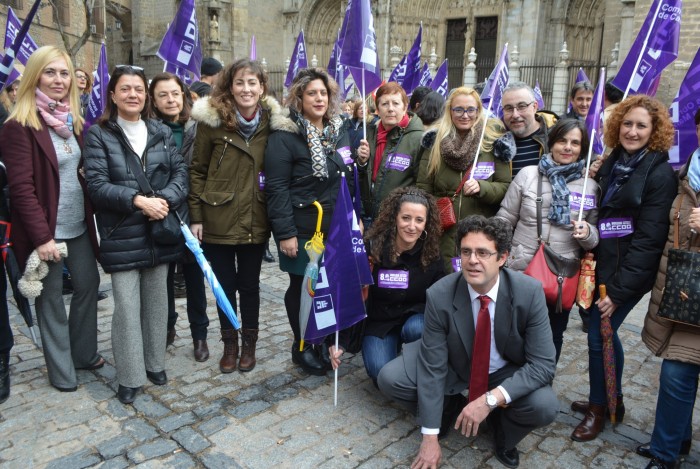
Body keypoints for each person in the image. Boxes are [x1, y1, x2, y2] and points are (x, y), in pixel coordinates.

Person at [378, 215, 558, 469]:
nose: (472, 260)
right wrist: (429, 436)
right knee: (390, 377)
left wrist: (490, 400)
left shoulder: (529, 293)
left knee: (545, 405)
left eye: (483, 253)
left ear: (502, 258)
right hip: (455, 363)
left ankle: (502, 431)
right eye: (466, 252)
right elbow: (432, 366)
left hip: (503, 370)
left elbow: (543, 364)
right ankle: (450, 407)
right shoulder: (440, 294)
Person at [570, 95, 677, 442]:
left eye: (641, 125)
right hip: (601, 261)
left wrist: (618, 292)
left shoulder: (659, 173)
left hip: (629, 271)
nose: (632, 131)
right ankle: (611, 397)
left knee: (598, 334)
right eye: (627, 124)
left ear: (654, 130)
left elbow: (649, 240)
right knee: (602, 332)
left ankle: (599, 409)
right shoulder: (614, 161)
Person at [84, 65, 188, 404]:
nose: (133, 95)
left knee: (157, 303)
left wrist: (164, 200)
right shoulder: (98, 134)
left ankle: (154, 362)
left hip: (160, 230)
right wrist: (138, 201)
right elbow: (97, 185)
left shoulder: (158, 130)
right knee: (127, 308)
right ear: (113, 94)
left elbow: (180, 174)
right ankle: (129, 375)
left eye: (139, 90)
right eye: (126, 89)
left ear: (146, 97)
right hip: (122, 232)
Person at [0, 46, 101, 393]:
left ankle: (83, 353)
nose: (59, 80)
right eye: (50, 72)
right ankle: (61, 371)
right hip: (47, 231)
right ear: (35, 77)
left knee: (88, 286)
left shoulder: (73, 121)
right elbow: (22, 189)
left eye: (64, 73)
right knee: (52, 299)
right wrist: (43, 238)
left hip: (79, 226)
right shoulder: (19, 125)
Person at [190, 59, 281, 373]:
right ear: (229, 86)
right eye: (240, 82)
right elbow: (197, 171)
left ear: (262, 88)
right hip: (218, 216)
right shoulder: (211, 122)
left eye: (252, 83)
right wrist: (197, 217)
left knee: (250, 286)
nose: (246, 89)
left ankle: (249, 344)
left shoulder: (272, 122)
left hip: (256, 215)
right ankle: (229, 343)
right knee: (224, 285)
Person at [265, 67, 356, 376]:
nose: (319, 98)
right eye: (312, 93)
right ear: (299, 97)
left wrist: (361, 159)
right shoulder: (285, 135)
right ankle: (302, 344)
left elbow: (343, 173)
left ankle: (324, 340)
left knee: (327, 285)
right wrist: (286, 234)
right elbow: (276, 188)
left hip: (335, 225)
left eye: (324, 93)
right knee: (303, 286)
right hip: (303, 226)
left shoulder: (340, 129)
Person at [496, 118, 600, 363]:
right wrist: (499, 257)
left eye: (575, 143)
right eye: (562, 140)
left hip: (560, 275)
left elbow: (595, 237)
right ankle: (506, 388)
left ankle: (540, 386)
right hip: (520, 270)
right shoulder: (528, 175)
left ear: (582, 148)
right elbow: (505, 219)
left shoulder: (590, 187)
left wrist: (587, 234)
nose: (567, 147)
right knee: (512, 332)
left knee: (552, 336)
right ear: (551, 143)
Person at [635, 108, 700, 469]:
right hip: (684, 295)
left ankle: (667, 449)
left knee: (679, 374)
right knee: (678, 374)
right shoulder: (686, 174)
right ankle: (671, 445)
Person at [329, 187, 444, 383]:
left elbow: (440, 299)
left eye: (419, 220)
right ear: (394, 218)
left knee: (416, 329)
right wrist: (340, 341)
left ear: (426, 224)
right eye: (406, 218)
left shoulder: (432, 254)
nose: (412, 226)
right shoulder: (372, 251)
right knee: (379, 373)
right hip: (380, 322)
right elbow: (352, 296)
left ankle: (415, 362)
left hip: (414, 319)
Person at [148, 72, 209, 362]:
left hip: (194, 212)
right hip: (162, 212)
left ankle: (200, 335)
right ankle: (167, 328)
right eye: (163, 95)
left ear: (184, 96)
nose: (171, 100)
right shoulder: (147, 130)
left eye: (175, 94)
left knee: (196, 278)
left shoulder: (198, 127)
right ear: (154, 100)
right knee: (165, 278)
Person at [417, 86, 510, 272]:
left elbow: (505, 187)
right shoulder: (435, 142)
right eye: (458, 109)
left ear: (478, 111)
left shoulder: (493, 142)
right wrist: (436, 209)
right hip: (443, 231)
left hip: (480, 230)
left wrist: (482, 188)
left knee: (477, 279)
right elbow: (422, 188)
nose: (464, 115)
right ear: (449, 111)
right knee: (445, 281)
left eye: (470, 110)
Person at [356, 82, 424, 224]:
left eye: (396, 103)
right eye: (385, 104)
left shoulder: (418, 139)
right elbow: (361, 179)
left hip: (399, 220)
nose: (390, 109)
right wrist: (362, 162)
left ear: (405, 107)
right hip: (369, 217)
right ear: (378, 109)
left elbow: (422, 186)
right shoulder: (368, 134)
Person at [496, 81, 558, 176]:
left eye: (522, 106)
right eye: (509, 108)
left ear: (534, 107)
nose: (515, 115)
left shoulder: (556, 137)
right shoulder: (495, 142)